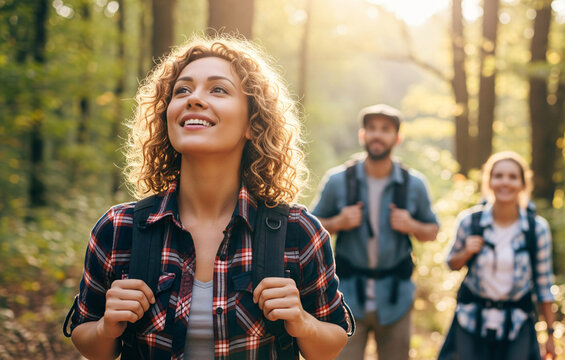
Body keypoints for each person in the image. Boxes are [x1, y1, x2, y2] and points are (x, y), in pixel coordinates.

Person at [63, 35, 352, 360]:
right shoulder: (119, 227)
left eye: (218, 89)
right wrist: (106, 327)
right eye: (182, 90)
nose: (194, 99)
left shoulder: (299, 231)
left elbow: (332, 341)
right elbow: (87, 340)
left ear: (253, 124)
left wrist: (301, 322)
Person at [311, 104, 439, 360]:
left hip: (396, 299)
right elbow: (311, 227)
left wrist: (411, 225)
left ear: (397, 138)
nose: (377, 135)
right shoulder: (338, 181)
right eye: (371, 129)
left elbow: (432, 231)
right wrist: (338, 221)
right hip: (346, 298)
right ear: (363, 135)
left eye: (385, 130)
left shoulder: (414, 184)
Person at [438, 151, 556, 360]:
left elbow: (544, 284)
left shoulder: (536, 229)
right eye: (499, 176)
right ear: (489, 181)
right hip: (470, 321)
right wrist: (466, 252)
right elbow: (452, 263)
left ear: (522, 184)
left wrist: (550, 334)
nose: (505, 182)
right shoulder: (470, 222)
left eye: (512, 177)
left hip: (517, 325)